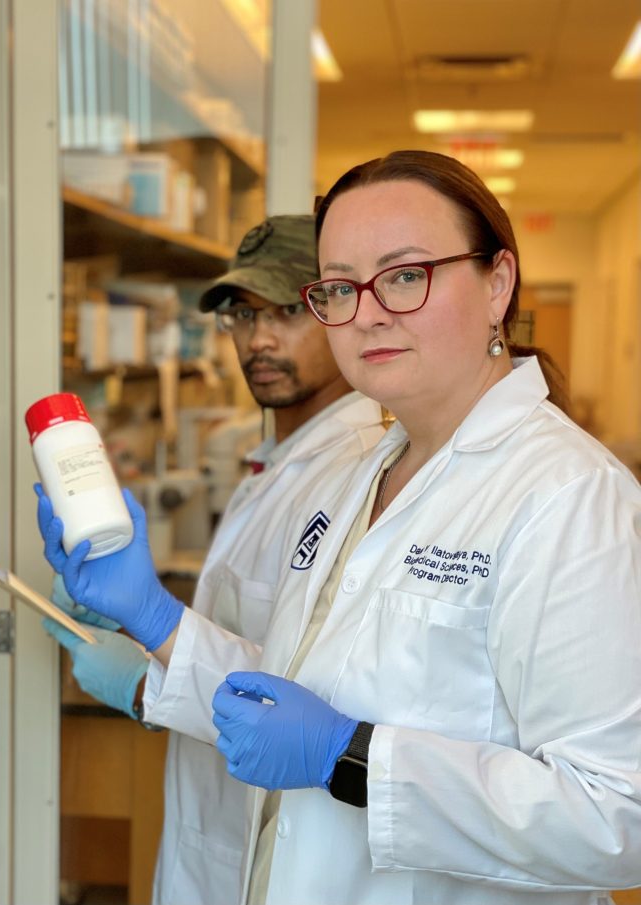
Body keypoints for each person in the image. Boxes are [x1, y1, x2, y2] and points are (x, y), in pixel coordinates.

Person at [38, 151, 641, 905]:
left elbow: (619, 813)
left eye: (405, 274)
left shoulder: (571, 497)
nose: (369, 311)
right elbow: (292, 696)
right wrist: (152, 617)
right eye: (340, 287)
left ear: (497, 282)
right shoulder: (365, 475)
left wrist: (351, 758)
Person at [43, 213, 386, 905]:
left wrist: (152, 676)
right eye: (240, 314)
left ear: (337, 309)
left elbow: (314, 702)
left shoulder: (357, 476)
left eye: (287, 310)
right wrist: (140, 632)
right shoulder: (275, 464)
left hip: (274, 844)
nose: (258, 337)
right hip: (215, 829)